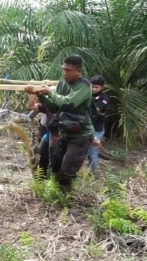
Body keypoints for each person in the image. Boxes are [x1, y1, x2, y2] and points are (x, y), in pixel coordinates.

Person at [25, 55, 94, 193]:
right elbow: (54, 107)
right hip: (66, 132)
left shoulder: (84, 85)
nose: (65, 73)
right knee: (56, 167)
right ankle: (57, 196)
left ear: (78, 71)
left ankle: (66, 201)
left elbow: (68, 103)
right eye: (64, 69)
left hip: (81, 135)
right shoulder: (63, 84)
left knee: (67, 170)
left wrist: (50, 91)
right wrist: (39, 95)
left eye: (68, 70)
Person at [88, 75, 109, 175]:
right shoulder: (87, 94)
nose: (94, 89)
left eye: (96, 87)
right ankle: (88, 175)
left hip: (97, 129)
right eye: (92, 86)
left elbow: (96, 110)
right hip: (86, 128)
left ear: (102, 87)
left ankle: (93, 175)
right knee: (86, 153)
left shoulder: (104, 98)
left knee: (93, 153)